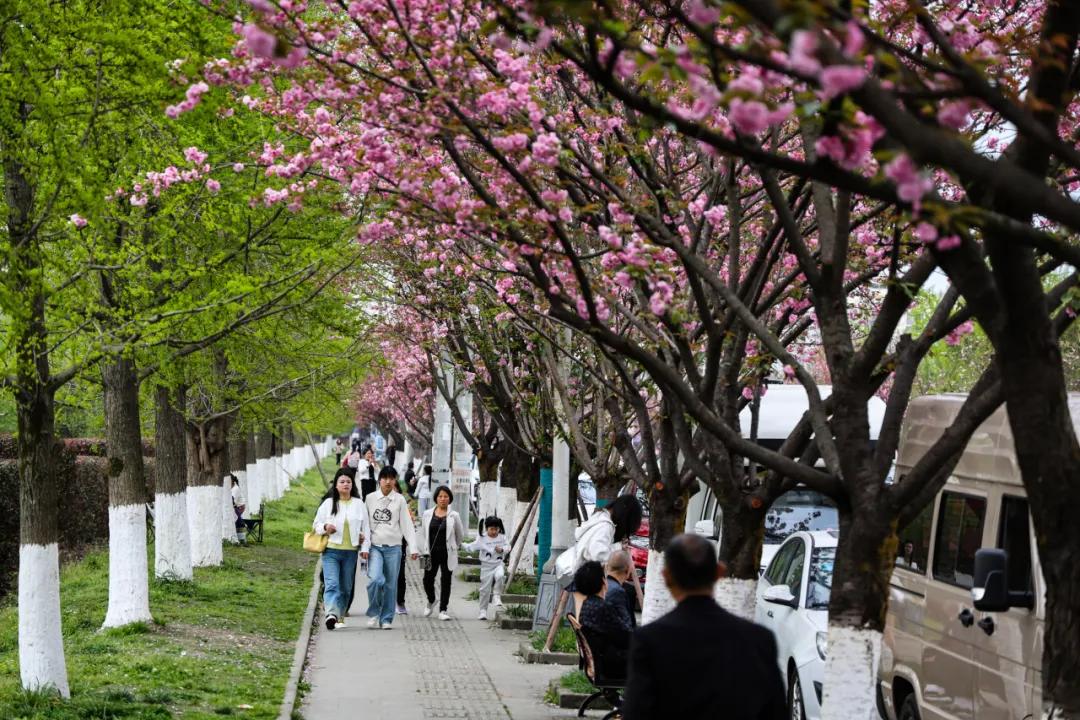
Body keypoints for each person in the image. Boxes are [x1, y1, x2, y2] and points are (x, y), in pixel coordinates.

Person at [620, 534, 786, 720]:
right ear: (719, 572)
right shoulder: (759, 639)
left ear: (666, 577)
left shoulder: (649, 640)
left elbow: (636, 712)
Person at [312, 472, 369, 631]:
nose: (345, 484)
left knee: (345, 587)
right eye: (342, 481)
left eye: (348, 482)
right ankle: (331, 613)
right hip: (331, 551)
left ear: (352, 485)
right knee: (332, 584)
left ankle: (340, 614)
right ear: (336, 485)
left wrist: (365, 548)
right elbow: (315, 525)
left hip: (350, 552)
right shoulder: (328, 504)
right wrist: (325, 527)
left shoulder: (359, 504)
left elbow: (366, 529)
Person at [361, 466, 417, 629]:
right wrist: (364, 547)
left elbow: (407, 526)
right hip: (375, 547)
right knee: (375, 581)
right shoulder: (370, 498)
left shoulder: (399, 500)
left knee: (391, 584)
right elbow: (365, 526)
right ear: (379, 480)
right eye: (385, 478)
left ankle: (386, 618)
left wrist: (413, 548)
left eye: (392, 478)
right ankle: (373, 613)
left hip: (394, 548)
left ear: (395, 481)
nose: (388, 481)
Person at [573, 560, 632, 682]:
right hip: (612, 667)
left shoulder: (587, 604)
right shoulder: (603, 607)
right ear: (602, 582)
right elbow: (625, 637)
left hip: (601, 663)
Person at [414, 485, 464, 620]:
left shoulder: (454, 515)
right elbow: (422, 533)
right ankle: (431, 600)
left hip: (448, 553)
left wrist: (454, 547)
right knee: (426, 580)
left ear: (450, 499)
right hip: (429, 552)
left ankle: (443, 610)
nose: (443, 499)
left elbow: (460, 536)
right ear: (436, 498)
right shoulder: (427, 514)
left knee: (446, 581)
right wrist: (419, 549)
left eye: (446, 496)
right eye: (440, 496)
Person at [464, 516, 507, 620]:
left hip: (498, 564)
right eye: (491, 529)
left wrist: (502, 549)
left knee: (500, 575)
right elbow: (472, 546)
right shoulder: (482, 538)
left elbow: (508, 546)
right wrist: (463, 545)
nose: (494, 531)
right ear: (486, 528)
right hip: (486, 567)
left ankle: (496, 596)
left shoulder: (502, 537)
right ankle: (483, 611)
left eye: (496, 529)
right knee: (484, 590)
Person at [604, 550, 638, 627]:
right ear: (629, 570)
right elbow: (627, 628)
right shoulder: (618, 592)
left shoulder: (597, 585)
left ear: (607, 567)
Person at [230, 474, 247, 544]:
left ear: (232, 481)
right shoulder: (231, 487)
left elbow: (233, 501)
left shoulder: (235, 489)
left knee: (235, 516)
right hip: (236, 506)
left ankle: (239, 536)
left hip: (239, 507)